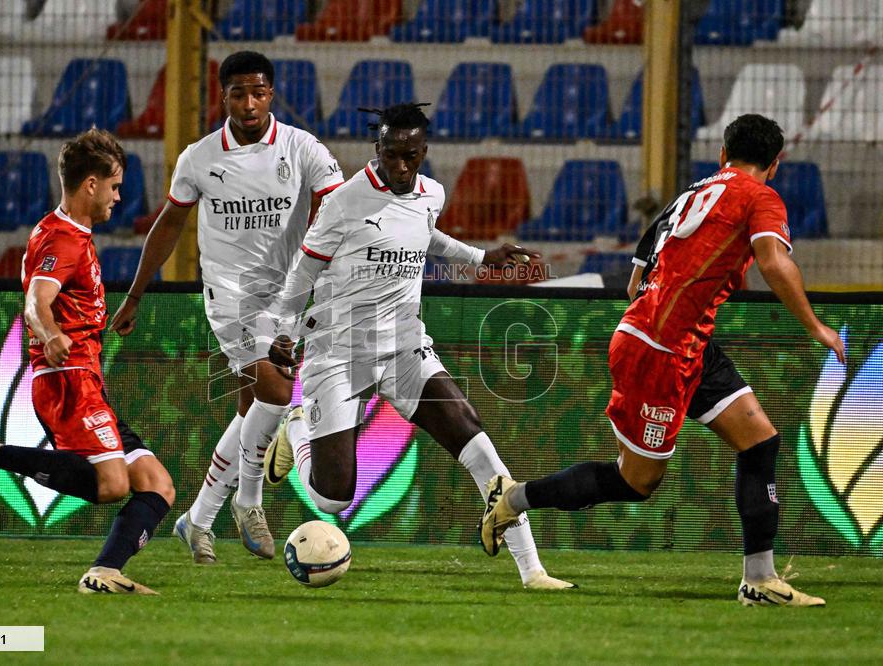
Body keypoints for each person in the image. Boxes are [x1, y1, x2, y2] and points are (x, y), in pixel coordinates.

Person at [480, 114, 846, 606]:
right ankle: (512, 498)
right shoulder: (761, 197)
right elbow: (773, 260)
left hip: (683, 343)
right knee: (637, 482)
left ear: (723, 155)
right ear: (775, 165)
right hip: (660, 352)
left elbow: (635, 285)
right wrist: (816, 326)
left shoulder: (688, 196)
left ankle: (759, 580)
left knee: (760, 442)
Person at [265, 102, 573, 590]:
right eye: (392, 155)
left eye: (411, 156)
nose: (402, 166)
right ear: (378, 149)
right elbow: (303, 271)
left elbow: (426, 235)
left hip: (406, 347)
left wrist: (481, 257)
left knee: (474, 440)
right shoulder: (345, 202)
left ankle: (533, 571)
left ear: (424, 152)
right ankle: (297, 428)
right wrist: (280, 331)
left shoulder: (432, 193)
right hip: (338, 352)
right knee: (332, 499)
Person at [108, 51, 345, 563]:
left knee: (251, 411)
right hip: (229, 297)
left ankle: (198, 519)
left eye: (258, 92)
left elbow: (336, 204)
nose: (249, 102)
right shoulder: (199, 157)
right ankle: (248, 501)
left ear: (271, 94)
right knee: (278, 394)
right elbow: (168, 224)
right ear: (224, 96)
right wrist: (134, 296)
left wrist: (319, 265)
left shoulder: (302, 148)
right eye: (238, 92)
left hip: (286, 298)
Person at [0, 129, 175, 594]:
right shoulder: (63, 239)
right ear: (90, 184)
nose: (118, 196)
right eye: (114, 186)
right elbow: (35, 301)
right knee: (112, 486)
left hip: (86, 380)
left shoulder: (63, 232)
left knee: (157, 485)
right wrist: (49, 335)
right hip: (68, 380)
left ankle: (104, 572)